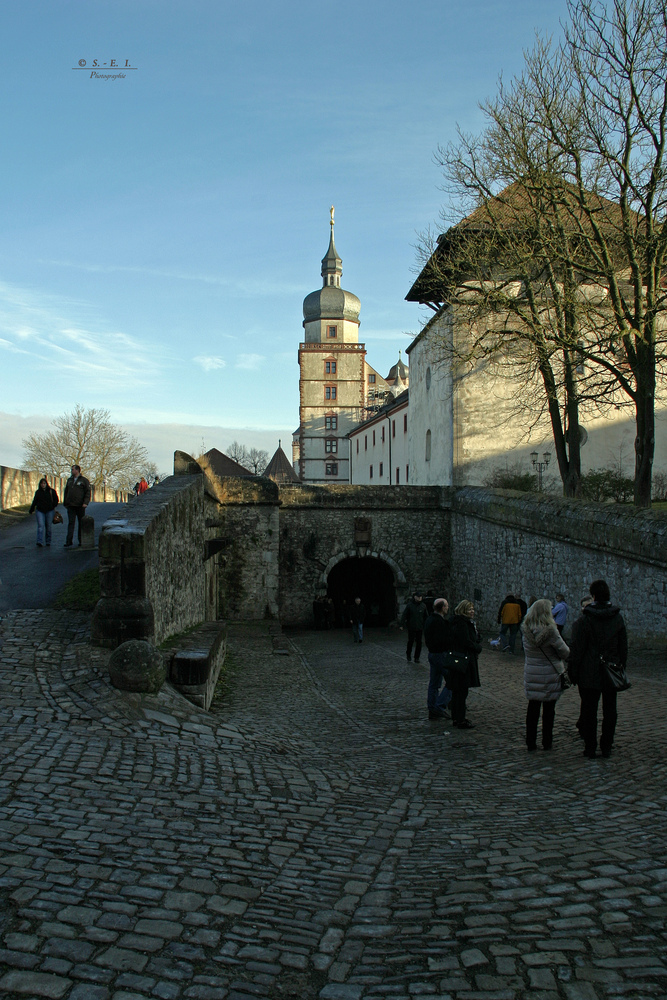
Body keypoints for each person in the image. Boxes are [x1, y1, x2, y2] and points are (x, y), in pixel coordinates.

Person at [568, 579, 627, 759]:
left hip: (589, 671)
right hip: (610, 670)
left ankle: (591, 746)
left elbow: (577, 649)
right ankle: (606, 745)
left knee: (589, 711)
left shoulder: (585, 620)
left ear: (593, 597)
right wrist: (620, 666)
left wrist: (573, 672)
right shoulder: (617, 619)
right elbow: (622, 647)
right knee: (610, 711)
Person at [521, 599, 570, 751]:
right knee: (549, 710)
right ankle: (547, 741)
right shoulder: (551, 631)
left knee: (533, 708)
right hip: (550, 673)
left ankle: (530, 741)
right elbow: (565, 652)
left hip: (532, 672)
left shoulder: (526, 630)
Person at [446, 600, 482, 729]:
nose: (472, 612)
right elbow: (465, 641)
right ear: (463, 610)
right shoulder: (462, 623)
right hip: (464, 660)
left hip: (460, 659)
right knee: (461, 691)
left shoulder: (458, 622)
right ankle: (460, 719)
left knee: (458, 691)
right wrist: (477, 647)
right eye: (469, 609)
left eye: (472, 609)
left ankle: (457, 717)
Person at [423, 598, 453, 720]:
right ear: (442, 608)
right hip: (440, 654)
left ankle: (432, 708)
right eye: (446, 605)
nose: (448, 607)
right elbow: (443, 640)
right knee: (452, 681)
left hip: (433, 654)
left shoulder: (430, 619)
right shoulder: (439, 622)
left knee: (434, 683)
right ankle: (439, 707)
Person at [63, 464, 91, 547]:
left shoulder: (84, 480)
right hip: (71, 505)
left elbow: (88, 492)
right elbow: (66, 492)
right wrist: (65, 502)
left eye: (72, 469)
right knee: (71, 523)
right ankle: (69, 541)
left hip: (80, 505)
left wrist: (85, 502)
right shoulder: (70, 480)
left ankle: (81, 540)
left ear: (77, 470)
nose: (71, 471)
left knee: (81, 523)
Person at [29, 477, 59, 547]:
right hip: (40, 511)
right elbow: (35, 501)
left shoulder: (51, 491)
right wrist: (31, 509)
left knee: (48, 527)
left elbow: (56, 500)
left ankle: (48, 541)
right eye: (41, 484)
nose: (43, 485)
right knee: (40, 526)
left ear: (46, 484)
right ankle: (39, 541)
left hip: (49, 511)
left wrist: (53, 506)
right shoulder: (38, 492)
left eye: (44, 483)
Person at [400, 593, 428, 664]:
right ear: (414, 597)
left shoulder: (423, 606)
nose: (419, 598)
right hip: (411, 627)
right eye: (418, 597)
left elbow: (426, 616)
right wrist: (402, 624)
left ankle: (416, 657)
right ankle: (408, 654)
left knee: (419, 642)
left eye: (420, 597)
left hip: (419, 627)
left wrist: (427, 625)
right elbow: (405, 615)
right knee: (411, 641)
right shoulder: (410, 605)